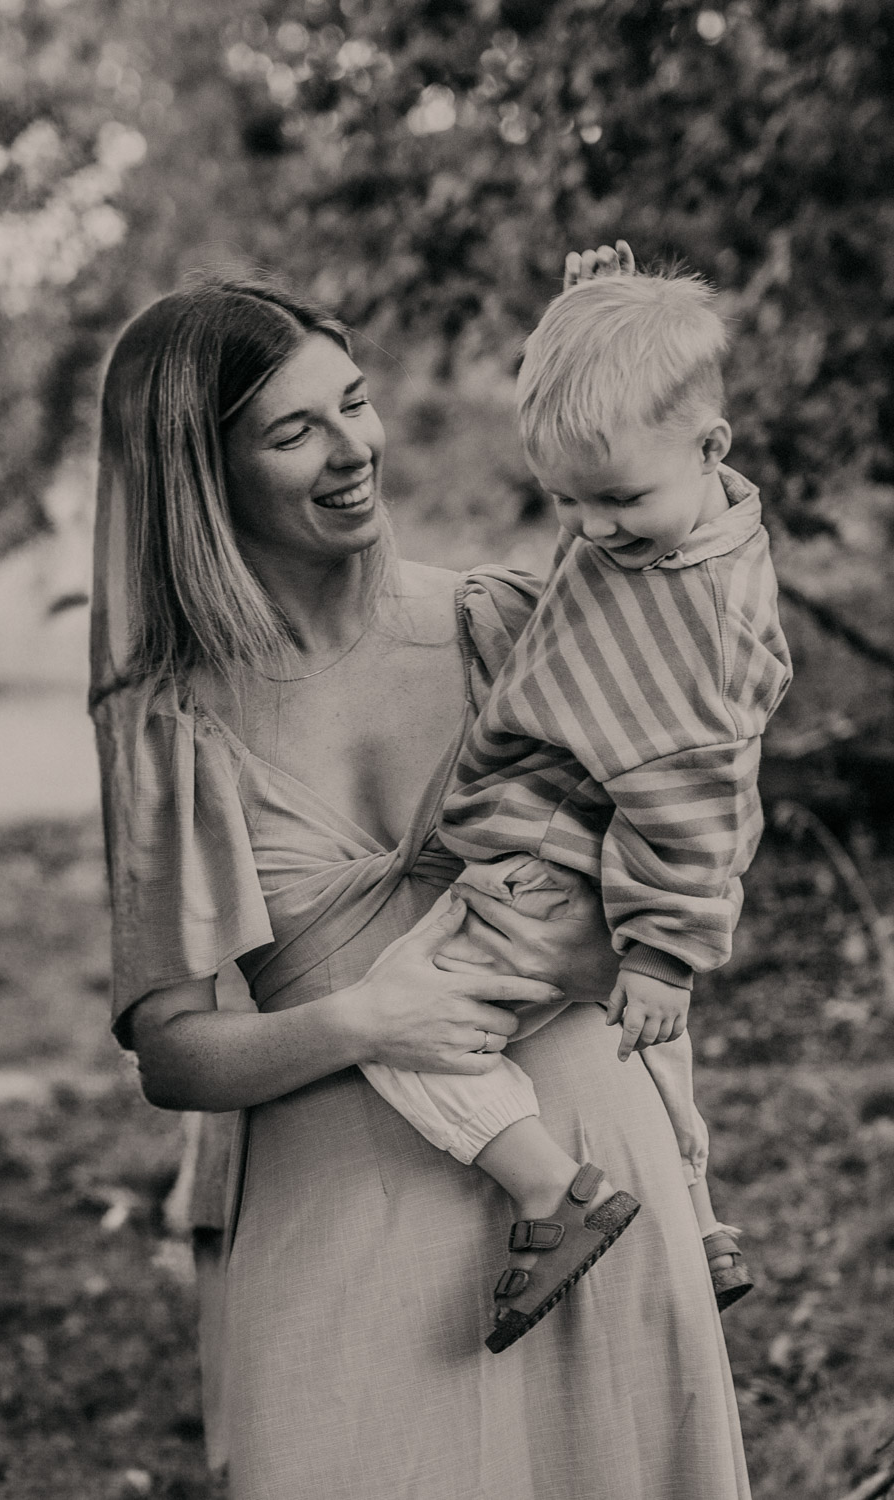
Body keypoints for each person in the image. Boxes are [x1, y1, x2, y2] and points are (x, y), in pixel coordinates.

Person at [89, 255, 753, 1499]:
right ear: (201, 476)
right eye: (295, 429)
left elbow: (704, 659)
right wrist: (363, 1018)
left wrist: (595, 335)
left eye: (355, 400)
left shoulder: (509, 620)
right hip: (345, 1213)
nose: (353, 448)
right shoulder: (168, 723)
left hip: (592, 1172)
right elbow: (172, 1053)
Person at [359, 260, 792, 1351]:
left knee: (390, 1028)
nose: (593, 530)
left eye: (616, 501)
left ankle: (552, 1193)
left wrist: (663, 951)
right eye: (568, 502)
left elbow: (696, 810)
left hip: (544, 864)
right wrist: (582, 307)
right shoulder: (689, 521)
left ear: (711, 446)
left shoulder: (692, 631)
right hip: (588, 860)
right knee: (651, 1049)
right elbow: (615, 445)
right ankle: (697, 1221)